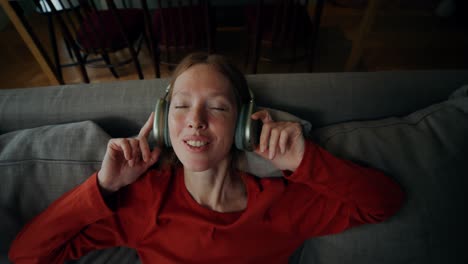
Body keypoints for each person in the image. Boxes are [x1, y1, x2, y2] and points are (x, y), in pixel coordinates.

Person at [9, 53, 405, 263]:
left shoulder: (283, 203)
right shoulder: (143, 202)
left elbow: (384, 203)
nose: (195, 122)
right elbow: (26, 254)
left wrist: (304, 160)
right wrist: (103, 186)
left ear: (242, 128)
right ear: (163, 122)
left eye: (216, 108)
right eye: (181, 106)